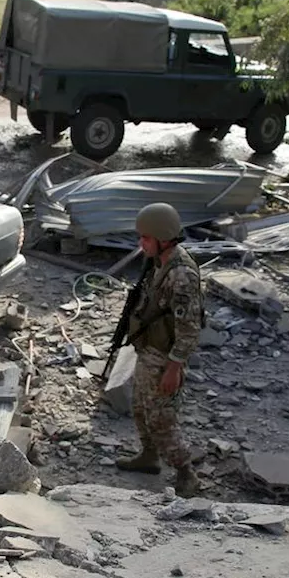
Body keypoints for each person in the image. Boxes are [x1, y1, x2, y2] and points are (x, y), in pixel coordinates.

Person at [114, 203, 203, 498]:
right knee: (140, 409)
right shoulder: (159, 262)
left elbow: (189, 326)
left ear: (164, 238)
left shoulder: (181, 275)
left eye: (146, 238)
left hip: (164, 357)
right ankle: (149, 457)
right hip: (149, 349)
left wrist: (174, 366)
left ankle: (186, 472)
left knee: (161, 419)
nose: (141, 244)